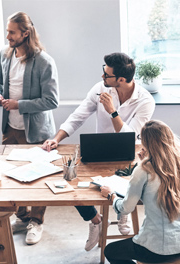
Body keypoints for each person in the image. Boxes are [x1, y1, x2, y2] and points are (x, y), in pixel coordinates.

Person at [42, 52, 155, 251]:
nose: (102, 77)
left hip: (129, 155)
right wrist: (56, 138)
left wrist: (113, 111)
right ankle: (95, 220)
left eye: (107, 74)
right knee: (71, 185)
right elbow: (78, 115)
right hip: (99, 153)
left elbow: (131, 137)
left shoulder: (145, 101)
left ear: (121, 79)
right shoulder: (100, 88)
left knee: (129, 181)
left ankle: (123, 210)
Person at [0, 11, 59, 245]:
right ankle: (22, 217)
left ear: (25, 33)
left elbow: (51, 101)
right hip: (9, 128)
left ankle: (36, 222)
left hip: (36, 132)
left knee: (39, 179)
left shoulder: (44, 62)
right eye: (7, 31)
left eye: (12, 32)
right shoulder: (4, 54)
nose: (7, 36)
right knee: (10, 175)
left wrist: (19, 105)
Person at [101, 120, 180, 264]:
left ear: (146, 143)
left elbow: (126, 208)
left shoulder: (143, 170)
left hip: (154, 248)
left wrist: (111, 195)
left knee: (110, 251)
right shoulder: (177, 164)